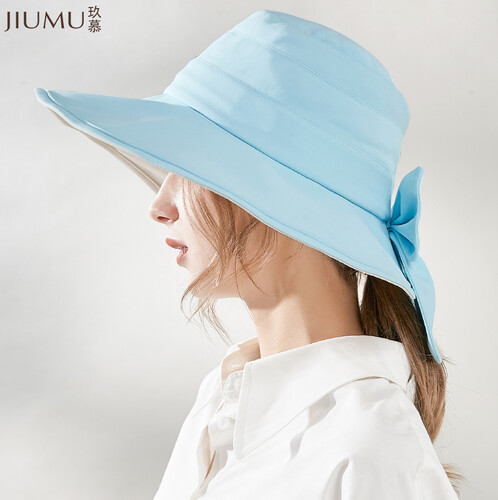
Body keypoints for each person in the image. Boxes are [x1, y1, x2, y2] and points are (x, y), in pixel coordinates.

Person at [34, 9, 463, 499]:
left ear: (285, 205)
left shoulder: (370, 447)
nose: (160, 205)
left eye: (193, 168)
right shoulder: (223, 397)